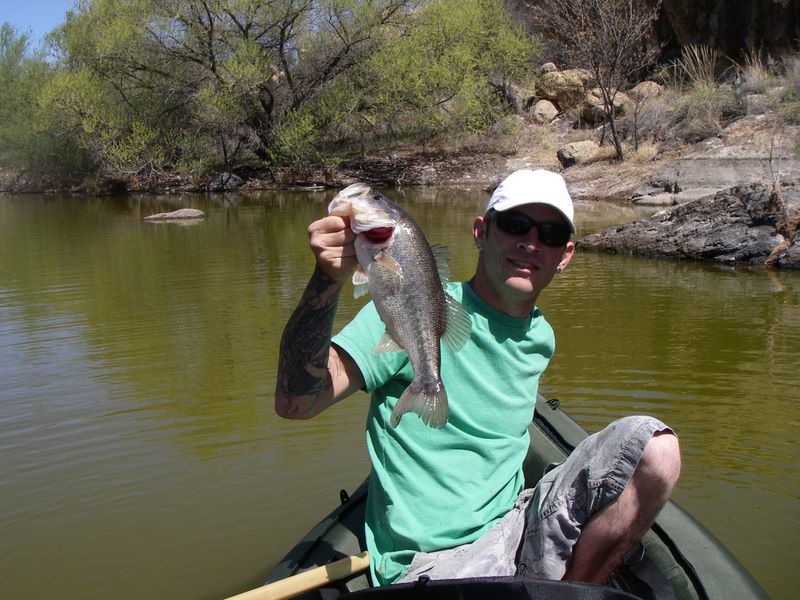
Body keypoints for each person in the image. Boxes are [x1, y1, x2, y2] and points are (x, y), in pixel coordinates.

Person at [275, 169, 681, 588]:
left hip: (515, 526)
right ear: (481, 233)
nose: (530, 242)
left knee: (658, 450)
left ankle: (572, 593)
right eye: (515, 224)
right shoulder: (407, 306)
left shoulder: (540, 337)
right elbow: (295, 403)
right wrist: (327, 280)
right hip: (435, 564)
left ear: (565, 255)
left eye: (550, 234)